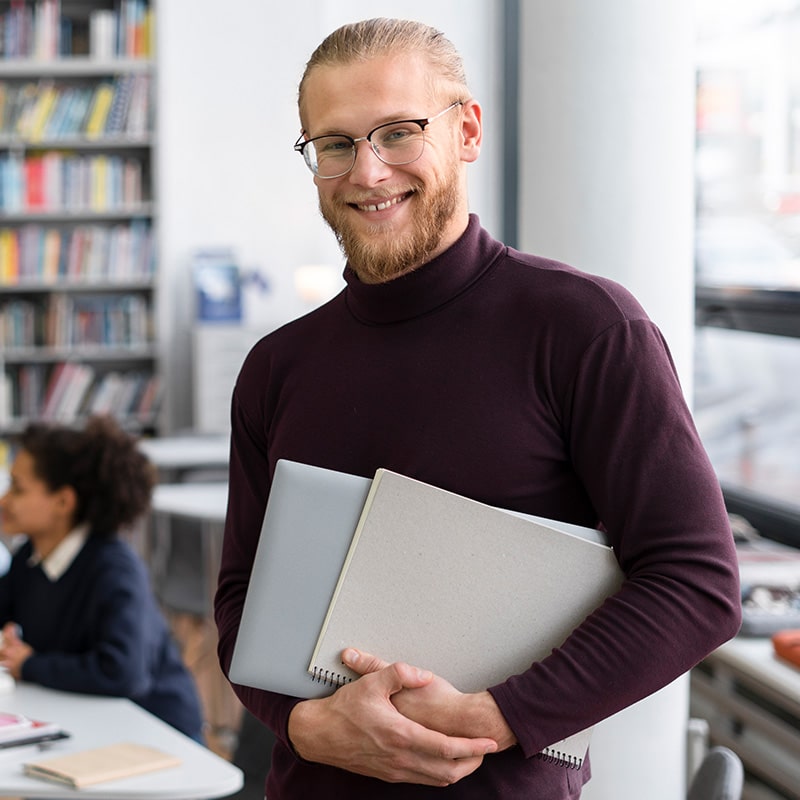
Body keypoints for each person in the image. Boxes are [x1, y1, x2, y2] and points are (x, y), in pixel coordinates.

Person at [214, 17, 742, 799]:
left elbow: (696, 583)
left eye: (398, 133)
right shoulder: (275, 367)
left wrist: (501, 714)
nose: (367, 172)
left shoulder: (587, 328)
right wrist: (297, 723)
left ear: (466, 131)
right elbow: (238, 600)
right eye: (335, 145)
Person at [0, 415, 205, 743]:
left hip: (157, 736)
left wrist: (30, 664)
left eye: (18, 488)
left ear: (63, 502)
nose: (4, 500)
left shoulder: (113, 568)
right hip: (91, 720)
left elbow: (123, 673)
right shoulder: (29, 557)